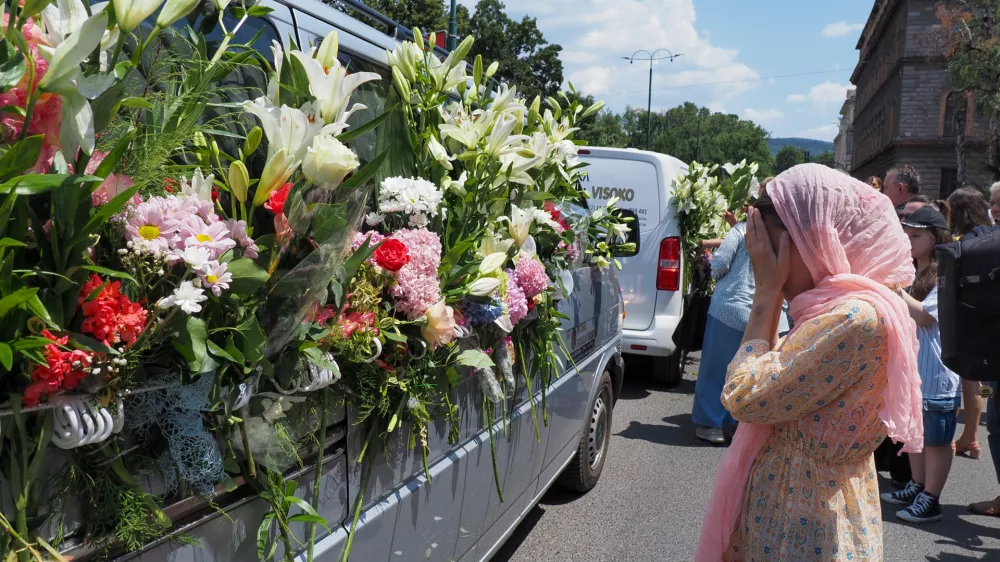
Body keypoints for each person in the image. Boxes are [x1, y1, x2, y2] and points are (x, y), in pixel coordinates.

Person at [696, 164, 922, 561]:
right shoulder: (849, 305)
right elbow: (768, 375)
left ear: (814, 240)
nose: (762, 259)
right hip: (807, 507)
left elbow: (744, 397)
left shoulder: (851, 319)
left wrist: (766, 293)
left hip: (800, 521)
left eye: (769, 248)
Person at [691, 179, 790, 445]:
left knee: (715, 368)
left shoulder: (740, 231)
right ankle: (739, 423)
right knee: (752, 369)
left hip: (730, 308)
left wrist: (714, 273)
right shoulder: (787, 234)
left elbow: (720, 263)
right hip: (770, 314)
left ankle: (710, 423)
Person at [880, 207, 961, 523]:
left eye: (916, 235)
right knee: (914, 432)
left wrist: (892, 288)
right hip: (913, 370)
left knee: (937, 440)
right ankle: (917, 485)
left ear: (935, 237)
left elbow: (925, 316)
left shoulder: (945, 273)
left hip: (936, 371)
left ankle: (932, 497)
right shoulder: (913, 270)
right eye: (907, 234)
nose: (908, 240)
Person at [947, 186, 992, 459]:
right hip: (986, 323)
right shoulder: (991, 236)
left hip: (968, 321)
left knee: (963, 380)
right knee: (974, 381)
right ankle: (971, 438)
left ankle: (965, 437)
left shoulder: (965, 242)